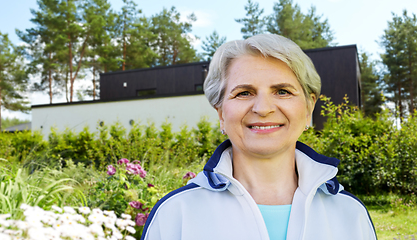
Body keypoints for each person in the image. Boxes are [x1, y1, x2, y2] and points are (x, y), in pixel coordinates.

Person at [141, 34, 377, 240]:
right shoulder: (175, 214)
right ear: (221, 113)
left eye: (282, 91)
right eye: (244, 93)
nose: (263, 108)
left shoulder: (350, 214)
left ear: (308, 109)